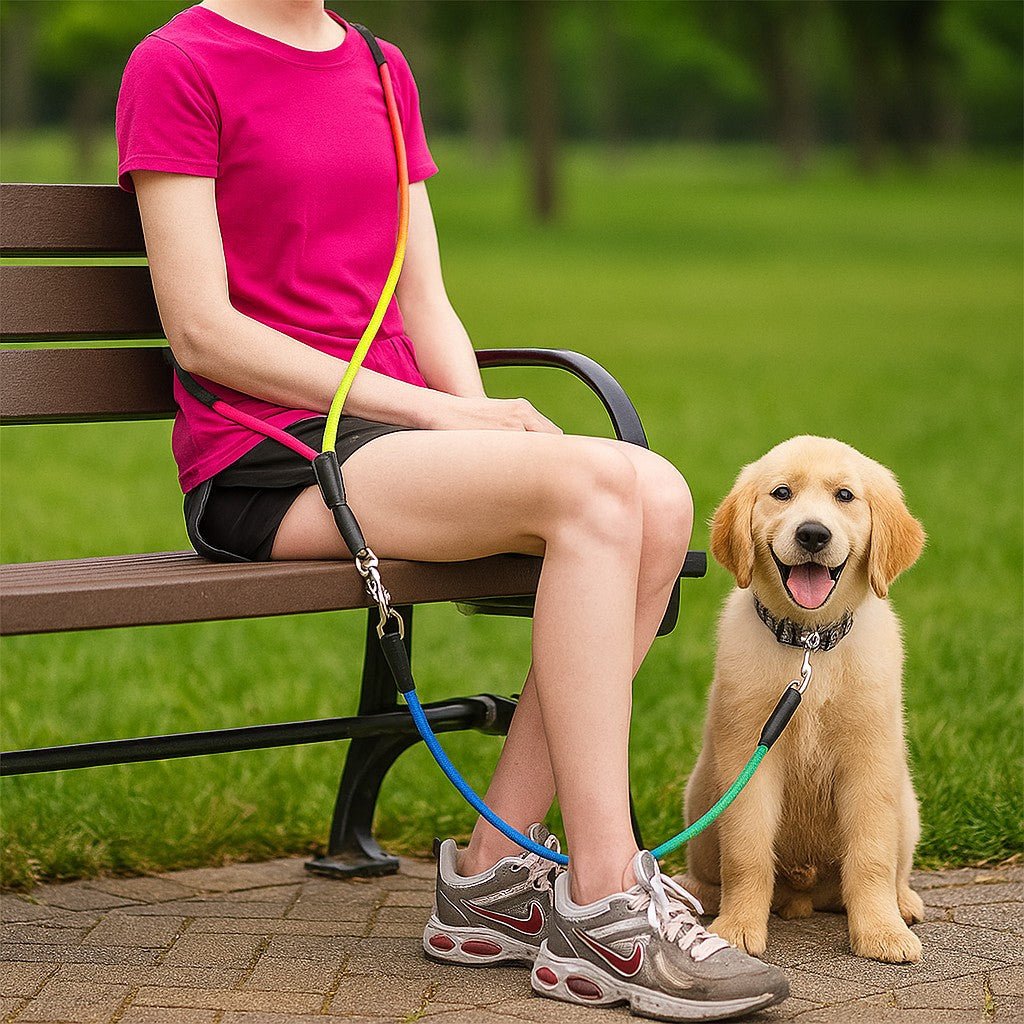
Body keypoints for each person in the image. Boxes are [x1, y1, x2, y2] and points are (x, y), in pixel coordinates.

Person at [115, 2, 788, 1018]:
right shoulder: (177, 64)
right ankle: (604, 895)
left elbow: (423, 302)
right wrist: (440, 414)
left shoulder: (381, 68)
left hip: (395, 441)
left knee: (653, 493)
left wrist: (472, 426)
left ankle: (490, 876)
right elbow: (203, 331)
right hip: (273, 456)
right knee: (603, 488)